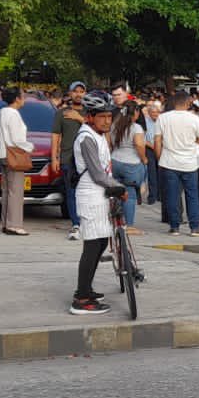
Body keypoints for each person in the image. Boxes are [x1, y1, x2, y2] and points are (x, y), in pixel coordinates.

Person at [70, 92, 129, 315]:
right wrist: (118, 187)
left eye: (109, 116)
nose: (106, 121)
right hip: (91, 196)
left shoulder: (98, 135)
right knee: (92, 246)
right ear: (90, 117)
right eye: (102, 117)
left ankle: (87, 288)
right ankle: (81, 298)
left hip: (100, 194)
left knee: (101, 243)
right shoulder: (86, 138)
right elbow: (97, 173)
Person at [157, 91, 199, 236]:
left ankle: (174, 226)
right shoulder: (194, 119)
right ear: (188, 103)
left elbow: (157, 141)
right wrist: (193, 140)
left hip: (168, 162)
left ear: (174, 102)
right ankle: (195, 227)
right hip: (189, 163)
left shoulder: (163, 118)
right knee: (192, 195)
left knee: (172, 195)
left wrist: (159, 158)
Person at [0, 87, 32, 236]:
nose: (24, 99)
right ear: (17, 98)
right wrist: (29, 147)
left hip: (2, 153)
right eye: (23, 96)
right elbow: (17, 139)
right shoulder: (14, 114)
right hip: (13, 154)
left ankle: (6, 223)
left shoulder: (2, 112)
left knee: (6, 190)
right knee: (16, 191)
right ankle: (14, 225)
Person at [108, 101, 148, 235]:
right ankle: (129, 225)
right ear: (135, 112)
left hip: (115, 161)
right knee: (129, 194)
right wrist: (144, 159)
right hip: (131, 163)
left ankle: (116, 222)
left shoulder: (114, 126)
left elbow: (110, 143)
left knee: (116, 193)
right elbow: (139, 145)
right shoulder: (136, 128)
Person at [55, 85, 88, 240]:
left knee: (87, 192)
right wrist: (54, 158)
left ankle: (87, 222)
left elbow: (97, 129)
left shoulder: (90, 112)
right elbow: (55, 136)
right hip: (68, 158)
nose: (78, 94)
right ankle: (76, 224)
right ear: (70, 93)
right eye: (75, 91)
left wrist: (79, 118)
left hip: (87, 160)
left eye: (81, 91)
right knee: (71, 192)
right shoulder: (61, 113)